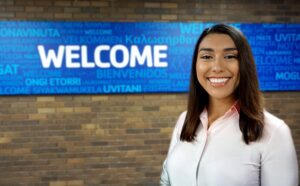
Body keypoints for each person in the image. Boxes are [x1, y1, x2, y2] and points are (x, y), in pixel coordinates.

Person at [160, 24, 298, 186]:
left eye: (230, 56)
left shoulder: (274, 132)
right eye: (206, 57)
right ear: (195, 64)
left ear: (244, 64)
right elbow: (166, 180)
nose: (217, 67)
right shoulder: (185, 120)